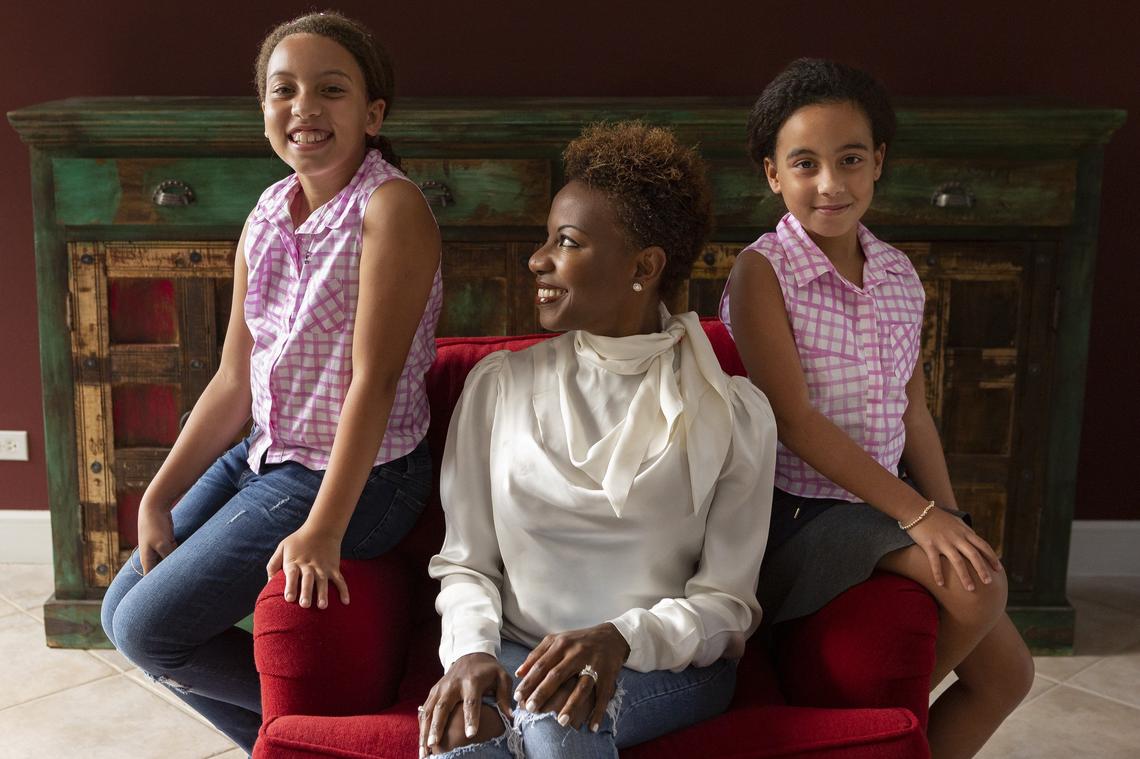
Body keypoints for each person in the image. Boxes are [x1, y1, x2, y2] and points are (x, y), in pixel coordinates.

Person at [100, 11, 442, 753]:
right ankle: (305, 744)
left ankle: (333, 736)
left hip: (364, 478)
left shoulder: (391, 210)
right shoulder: (265, 213)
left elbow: (374, 384)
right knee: (118, 612)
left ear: (372, 113)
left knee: (146, 629)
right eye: (283, 91)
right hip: (266, 453)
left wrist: (321, 525)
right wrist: (158, 494)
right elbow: (233, 378)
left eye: (331, 90)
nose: (304, 109)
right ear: (263, 111)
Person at [418, 122, 777, 758]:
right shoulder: (498, 386)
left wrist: (620, 638)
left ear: (644, 266)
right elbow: (466, 561)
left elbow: (727, 605)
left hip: (662, 665)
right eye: (546, 240)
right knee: (460, 727)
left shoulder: (734, 412)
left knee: (562, 716)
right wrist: (472, 653)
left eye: (568, 243)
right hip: (516, 643)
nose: (537, 260)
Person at [720, 58, 1034, 758]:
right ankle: (859, 745)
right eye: (805, 163)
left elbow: (913, 411)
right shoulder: (762, 271)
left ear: (878, 162)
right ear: (773, 173)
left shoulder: (897, 274)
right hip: (795, 513)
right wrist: (917, 515)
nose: (830, 183)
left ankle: (883, 745)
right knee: (980, 590)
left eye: (850, 159)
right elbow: (795, 423)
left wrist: (948, 514)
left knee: (1010, 673)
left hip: (881, 503)